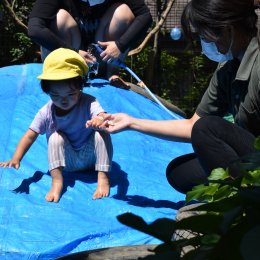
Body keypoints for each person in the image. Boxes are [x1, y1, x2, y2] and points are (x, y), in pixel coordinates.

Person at [92, 0, 260, 194]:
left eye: (204, 35)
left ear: (227, 29)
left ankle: (243, 205)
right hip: (251, 156)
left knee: (207, 128)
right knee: (180, 173)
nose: (204, 43)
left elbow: (203, 129)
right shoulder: (228, 67)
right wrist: (131, 122)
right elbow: (191, 126)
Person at [0, 48, 113, 202]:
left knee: (101, 132)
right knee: (55, 137)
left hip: (91, 159)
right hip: (67, 162)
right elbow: (29, 135)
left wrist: (100, 120)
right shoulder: (46, 112)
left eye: (70, 94)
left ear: (80, 87)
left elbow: (102, 115)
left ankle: (103, 177)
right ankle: (57, 181)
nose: (63, 100)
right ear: (48, 92)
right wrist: (16, 158)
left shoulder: (89, 102)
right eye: (56, 95)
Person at [27, 0, 152, 83]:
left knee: (123, 11)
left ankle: (112, 72)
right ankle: (65, 72)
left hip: (103, 57)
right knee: (60, 17)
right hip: (72, 57)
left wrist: (120, 45)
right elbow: (35, 29)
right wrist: (73, 52)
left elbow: (145, 16)